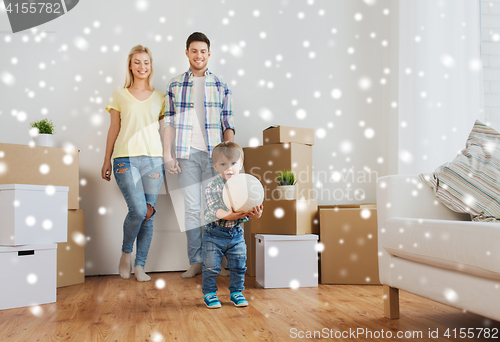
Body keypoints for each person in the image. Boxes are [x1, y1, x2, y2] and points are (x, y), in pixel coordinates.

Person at [164, 32, 235, 278]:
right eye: (194, 50)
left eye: (203, 51)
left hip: (214, 156)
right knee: (193, 210)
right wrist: (168, 155)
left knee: (217, 208)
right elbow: (169, 122)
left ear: (209, 53)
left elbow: (228, 122)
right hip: (187, 154)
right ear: (187, 53)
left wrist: (230, 159)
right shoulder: (175, 84)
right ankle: (196, 261)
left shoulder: (220, 84)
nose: (198, 55)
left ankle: (215, 262)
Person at [101, 45, 165, 282]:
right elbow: (114, 128)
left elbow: (166, 130)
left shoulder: (161, 98)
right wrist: (106, 159)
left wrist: (167, 157)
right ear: (130, 65)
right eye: (137, 62)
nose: (142, 67)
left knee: (148, 213)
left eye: (146, 62)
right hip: (125, 158)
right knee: (137, 210)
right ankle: (126, 253)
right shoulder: (119, 94)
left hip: (154, 161)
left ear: (151, 66)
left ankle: (140, 267)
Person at [202, 142, 263, 308]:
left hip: (236, 234)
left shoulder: (245, 185)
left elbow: (251, 207)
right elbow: (216, 211)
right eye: (223, 164)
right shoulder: (212, 186)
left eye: (233, 164)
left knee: (239, 265)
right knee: (210, 267)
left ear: (241, 164)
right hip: (214, 234)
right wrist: (230, 215)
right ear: (215, 167)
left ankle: (237, 292)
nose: (229, 168)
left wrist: (256, 214)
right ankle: (209, 293)